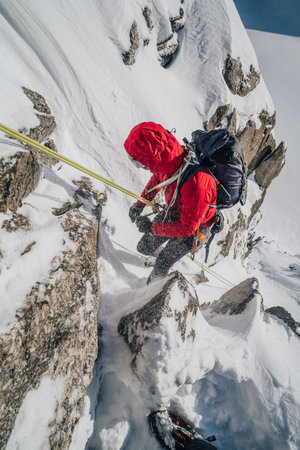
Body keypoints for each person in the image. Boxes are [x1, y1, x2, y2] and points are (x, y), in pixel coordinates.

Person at [124, 122, 217, 283]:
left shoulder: (197, 182)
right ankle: (161, 256)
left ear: (152, 157)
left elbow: (187, 227)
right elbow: (158, 179)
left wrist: (152, 227)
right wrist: (140, 204)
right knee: (144, 247)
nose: (142, 166)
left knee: (162, 264)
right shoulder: (168, 162)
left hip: (194, 229)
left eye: (141, 162)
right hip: (175, 211)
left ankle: (151, 294)